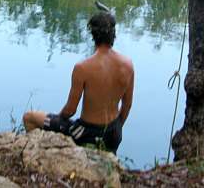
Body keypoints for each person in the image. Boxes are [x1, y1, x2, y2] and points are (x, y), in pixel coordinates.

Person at [22, 12, 134, 154]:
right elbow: (127, 105)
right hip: (114, 134)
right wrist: (116, 128)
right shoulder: (128, 65)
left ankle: (36, 157)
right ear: (113, 34)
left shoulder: (83, 67)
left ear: (92, 35)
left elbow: (70, 110)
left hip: (86, 133)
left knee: (30, 118)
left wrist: (58, 120)